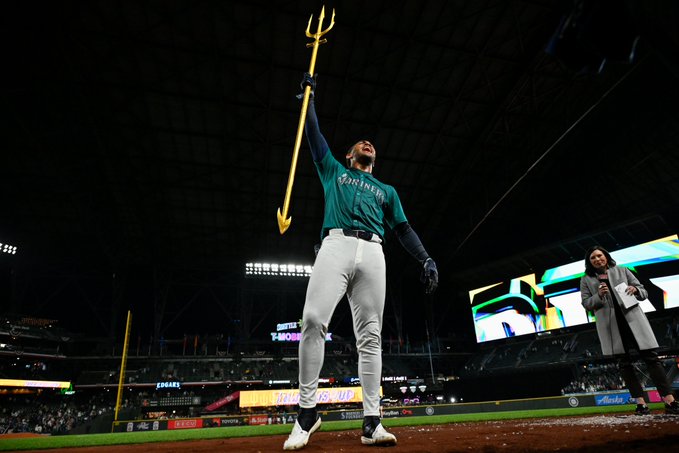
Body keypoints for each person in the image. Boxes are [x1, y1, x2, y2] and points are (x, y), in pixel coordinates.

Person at [283, 73, 439, 450]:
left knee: (371, 339)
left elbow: (403, 229)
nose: (368, 144)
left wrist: (426, 258)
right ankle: (307, 413)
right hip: (335, 244)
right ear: (351, 155)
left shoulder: (387, 190)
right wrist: (310, 98)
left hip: (374, 251)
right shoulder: (334, 170)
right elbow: (313, 135)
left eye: (372, 144)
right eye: (360, 144)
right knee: (313, 320)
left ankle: (372, 422)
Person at [580, 245, 679, 415]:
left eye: (599, 255)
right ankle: (641, 404)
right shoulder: (586, 280)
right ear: (589, 262)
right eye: (593, 258)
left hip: (634, 322)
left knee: (651, 359)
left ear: (606, 256)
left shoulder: (623, 271)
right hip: (612, 328)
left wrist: (635, 289)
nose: (597, 259)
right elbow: (586, 304)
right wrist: (599, 295)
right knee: (624, 364)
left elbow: (644, 292)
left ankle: (670, 401)